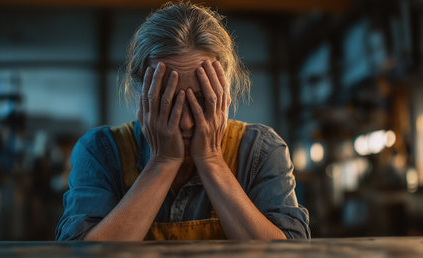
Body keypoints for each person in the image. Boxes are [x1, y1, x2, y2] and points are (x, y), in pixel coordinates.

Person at [55, 2, 310, 241]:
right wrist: (162, 162)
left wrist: (210, 158)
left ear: (224, 93)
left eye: (201, 100)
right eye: (168, 100)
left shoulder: (260, 151)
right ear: (141, 93)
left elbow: (289, 254)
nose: (187, 122)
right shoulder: (100, 151)